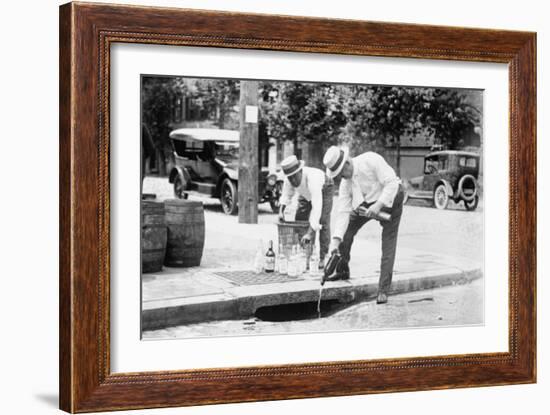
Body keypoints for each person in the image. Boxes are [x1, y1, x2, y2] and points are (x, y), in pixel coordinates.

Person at [323, 146, 405, 304]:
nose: (341, 177)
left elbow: (392, 183)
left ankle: (383, 290)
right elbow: (343, 213)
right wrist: (335, 241)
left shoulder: (371, 160)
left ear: (347, 163)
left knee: (388, 243)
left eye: (341, 173)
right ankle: (342, 270)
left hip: (392, 199)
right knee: (346, 231)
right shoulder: (345, 183)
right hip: (366, 204)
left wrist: (379, 204)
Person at [279, 155, 333, 268]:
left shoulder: (313, 178)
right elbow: (286, 195)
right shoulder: (289, 179)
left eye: (295, 177)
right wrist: (281, 212)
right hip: (305, 193)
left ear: (300, 171)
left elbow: (316, 207)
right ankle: (305, 253)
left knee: (322, 221)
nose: (293, 180)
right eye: (290, 178)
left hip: (324, 188)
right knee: (300, 218)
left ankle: (323, 256)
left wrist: (309, 232)